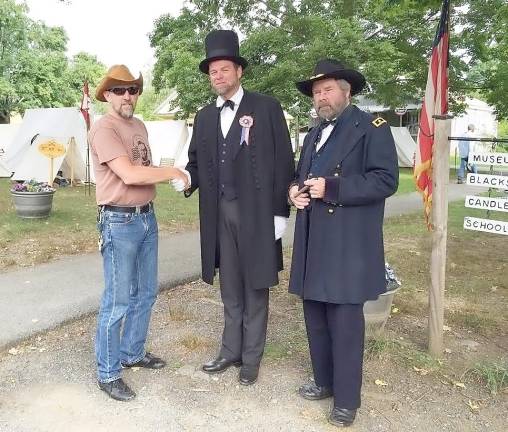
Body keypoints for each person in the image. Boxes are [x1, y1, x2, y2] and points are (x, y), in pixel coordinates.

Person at [172, 30, 294, 385]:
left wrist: (279, 213)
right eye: (213, 71)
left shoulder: (267, 108)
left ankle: (251, 358)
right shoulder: (205, 117)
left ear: (239, 71)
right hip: (219, 213)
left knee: (255, 285)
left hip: (257, 213)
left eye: (225, 69)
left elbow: (284, 161)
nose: (218, 76)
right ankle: (230, 349)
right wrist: (187, 179)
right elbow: (196, 163)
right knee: (230, 286)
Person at [288, 59, 399, 428]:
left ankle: (347, 400)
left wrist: (332, 188)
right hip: (313, 238)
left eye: (328, 89)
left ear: (346, 92)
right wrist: (295, 191)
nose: (321, 97)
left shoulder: (371, 128)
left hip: (348, 242)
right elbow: (301, 174)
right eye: (317, 92)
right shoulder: (313, 132)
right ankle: (323, 382)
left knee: (345, 320)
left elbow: (385, 181)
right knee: (315, 314)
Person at [90, 64, 188, 402]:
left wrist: (162, 173)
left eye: (132, 89)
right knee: (117, 300)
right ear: (107, 95)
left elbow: (143, 168)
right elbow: (130, 174)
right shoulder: (104, 129)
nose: (127, 95)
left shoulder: (139, 125)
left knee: (146, 293)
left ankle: (132, 352)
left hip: (146, 218)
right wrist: (174, 171)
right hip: (119, 222)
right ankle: (107, 372)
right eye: (119, 90)